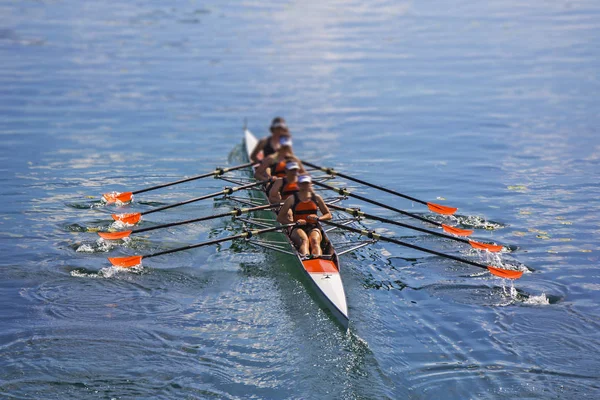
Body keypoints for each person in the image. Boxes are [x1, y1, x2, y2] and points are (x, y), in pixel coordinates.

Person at [277, 174, 332, 257]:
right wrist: (294, 222)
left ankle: (318, 260)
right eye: (302, 183)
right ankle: (306, 259)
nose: (305, 186)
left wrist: (318, 218)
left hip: (313, 226)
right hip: (297, 228)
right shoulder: (291, 199)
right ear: (298, 185)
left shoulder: (317, 198)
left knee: (314, 241)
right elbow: (280, 218)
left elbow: (329, 215)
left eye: (307, 183)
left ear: (310, 184)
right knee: (304, 240)